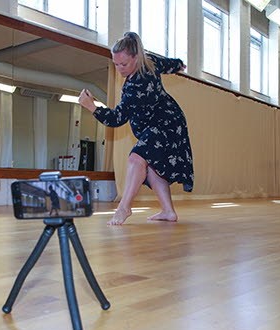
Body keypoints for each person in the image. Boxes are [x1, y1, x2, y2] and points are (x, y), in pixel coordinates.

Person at [78, 32, 194, 226]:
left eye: (123, 64)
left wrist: (92, 106)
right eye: (116, 64)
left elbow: (117, 118)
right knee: (151, 168)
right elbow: (169, 64)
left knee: (136, 158)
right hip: (170, 120)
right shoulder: (149, 60)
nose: (119, 69)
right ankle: (168, 211)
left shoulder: (136, 84)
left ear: (136, 58)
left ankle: (124, 207)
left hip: (166, 124)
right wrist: (179, 64)